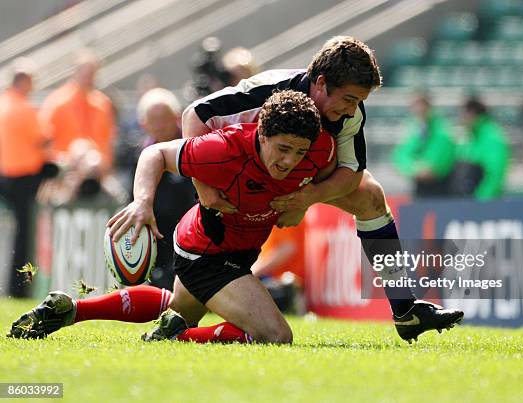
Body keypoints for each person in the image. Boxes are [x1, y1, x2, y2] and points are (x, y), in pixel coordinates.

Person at [181, 36, 463, 343]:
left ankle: (405, 309)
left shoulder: (350, 112)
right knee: (188, 299)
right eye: (348, 99)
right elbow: (194, 116)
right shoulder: (269, 90)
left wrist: (308, 198)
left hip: (292, 186)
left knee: (370, 196)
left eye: (358, 101)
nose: (352, 109)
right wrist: (206, 190)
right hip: (242, 186)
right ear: (320, 82)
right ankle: (174, 319)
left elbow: (352, 174)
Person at [8, 90, 334, 344]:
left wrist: (308, 200)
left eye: (299, 152)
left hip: (232, 248)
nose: (290, 160)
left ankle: (71, 310)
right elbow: (155, 153)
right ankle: (177, 336)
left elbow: (347, 179)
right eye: (283, 149)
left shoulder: (320, 150)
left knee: (177, 309)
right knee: (276, 335)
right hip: (208, 251)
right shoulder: (225, 149)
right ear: (262, 134)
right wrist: (142, 202)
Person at [0, 58, 54, 297]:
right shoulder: (24, 108)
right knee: (25, 234)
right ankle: (19, 287)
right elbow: (43, 138)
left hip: (5, 176)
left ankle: (15, 283)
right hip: (24, 178)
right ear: (23, 82)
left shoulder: (3, 105)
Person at [132, 88, 196, 290]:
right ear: (144, 124)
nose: (160, 125)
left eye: (165, 118)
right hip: (155, 233)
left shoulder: (191, 148)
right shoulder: (139, 155)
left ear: (177, 118)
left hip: (189, 233)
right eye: (154, 120)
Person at [38, 49, 116, 172]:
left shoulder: (103, 103)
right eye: (85, 74)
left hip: (95, 172)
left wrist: (105, 166)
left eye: (92, 74)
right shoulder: (57, 102)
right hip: (65, 171)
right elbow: (43, 142)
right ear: (75, 72)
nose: (88, 78)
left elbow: (107, 140)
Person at [392, 94, 455, 198]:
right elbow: (401, 154)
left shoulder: (442, 129)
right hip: (420, 185)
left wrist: (430, 168)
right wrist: (415, 169)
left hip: (441, 186)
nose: (418, 110)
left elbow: (443, 154)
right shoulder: (413, 129)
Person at [451, 96, 510, 200]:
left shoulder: (492, 137)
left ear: (472, 113)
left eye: (464, 114)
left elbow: (495, 174)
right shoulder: (471, 136)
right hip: (469, 201)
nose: (461, 118)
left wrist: (480, 201)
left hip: (486, 205)